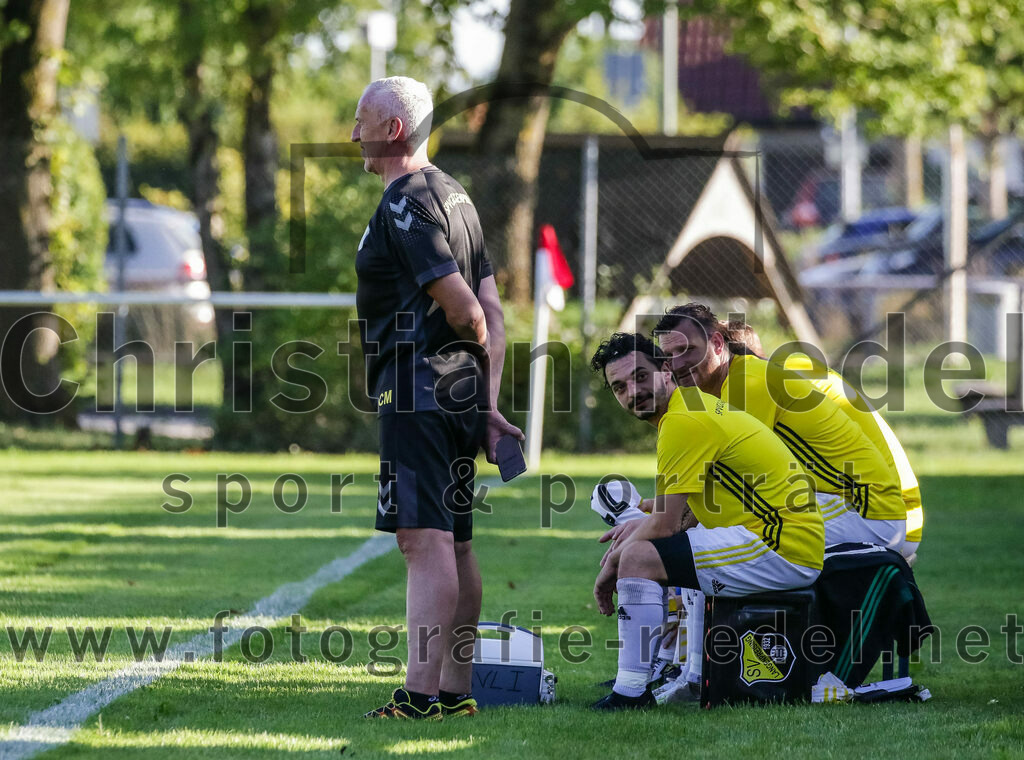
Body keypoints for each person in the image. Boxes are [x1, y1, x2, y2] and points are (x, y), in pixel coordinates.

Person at [352, 76, 523, 720]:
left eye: (362, 119)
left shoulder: (406, 201)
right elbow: (496, 316)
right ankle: (455, 691)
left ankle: (420, 697)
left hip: (418, 390)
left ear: (394, 128)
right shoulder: (457, 195)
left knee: (421, 542)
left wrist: (464, 371)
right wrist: (483, 401)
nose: (353, 133)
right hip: (451, 394)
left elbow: (467, 311)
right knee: (453, 542)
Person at [589, 333, 825, 710]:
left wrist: (612, 566)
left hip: (781, 544)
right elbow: (686, 513)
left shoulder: (684, 421)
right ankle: (691, 677)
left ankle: (631, 693)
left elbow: (665, 527)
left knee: (639, 559)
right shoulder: (692, 409)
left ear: (666, 370)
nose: (632, 392)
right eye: (619, 387)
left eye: (639, 376)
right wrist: (639, 527)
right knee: (654, 545)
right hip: (778, 537)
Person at [655, 304, 909, 554]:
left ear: (718, 344)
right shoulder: (725, 387)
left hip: (868, 510)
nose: (676, 364)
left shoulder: (748, 383)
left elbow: (726, 482)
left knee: (729, 534)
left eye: (687, 350)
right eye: (669, 356)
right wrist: (664, 515)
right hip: (842, 503)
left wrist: (664, 523)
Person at [719, 321, 924, 562]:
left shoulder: (756, 384)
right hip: (900, 509)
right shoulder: (796, 367)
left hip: (883, 513)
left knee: (742, 523)